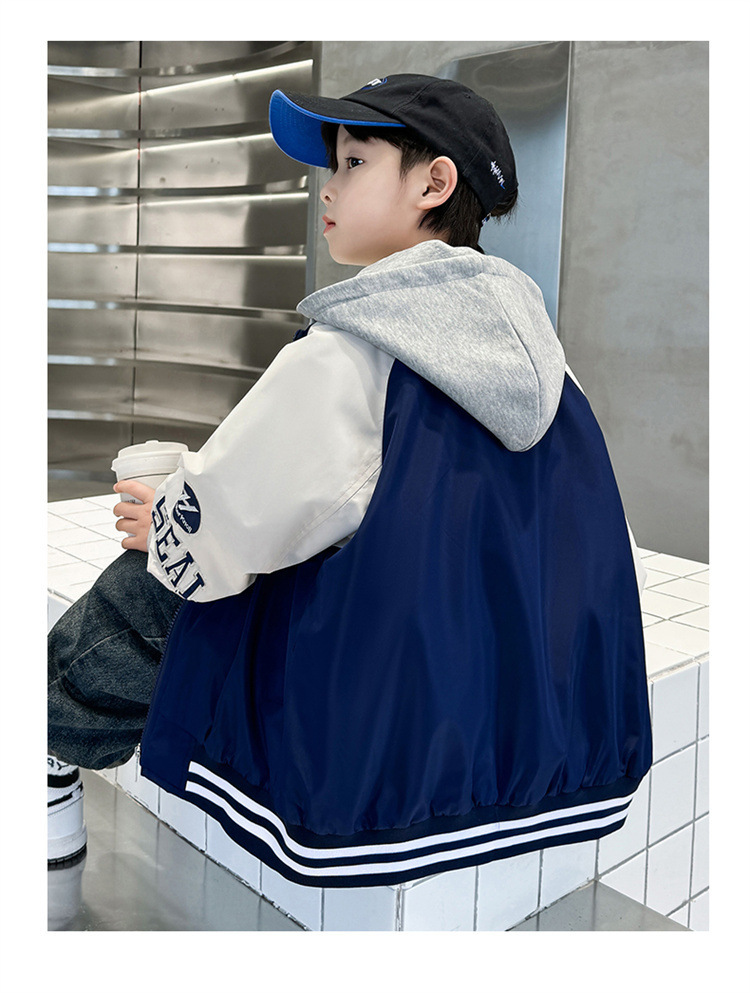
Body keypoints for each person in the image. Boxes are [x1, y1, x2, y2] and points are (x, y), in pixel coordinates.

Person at [48, 74, 652, 887]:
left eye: (354, 162)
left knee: (152, 581)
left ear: (434, 184)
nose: (326, 188)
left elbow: (230, 524)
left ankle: (44, 759)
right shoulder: (544, 356)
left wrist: (166, 517)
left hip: (373, 739)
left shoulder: (352, 347)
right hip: (533, 735)